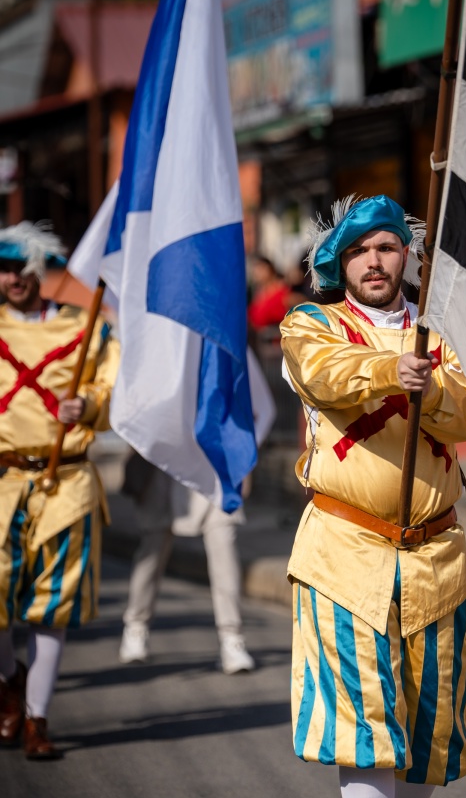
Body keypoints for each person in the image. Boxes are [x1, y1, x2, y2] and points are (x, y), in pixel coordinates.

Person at [280, 194, 466, 798]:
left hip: (438, 551)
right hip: (344, 551)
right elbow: (324, 376)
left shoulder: (441, 334)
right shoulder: (309, 324)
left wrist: (430, 382)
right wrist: (387, 368)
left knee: (435, 730)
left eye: (388, 248)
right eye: (360, 250)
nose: (375, 261)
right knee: (363, 724)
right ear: (339, 263)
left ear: (407, 258)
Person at [0, 222, 119, 759]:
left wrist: (89, 405)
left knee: (52, 606)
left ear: (38, 269)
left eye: (19, 266)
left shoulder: (88, 327)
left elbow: (117, 391)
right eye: (2, 269)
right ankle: (10, 682)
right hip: (2, 481)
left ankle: (36, 720)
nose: (11, 278)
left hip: (67, 480)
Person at [118, 353, 276, 674]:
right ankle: (136, 627)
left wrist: (241, 453)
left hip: (215, 468)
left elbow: (265, 408)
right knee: (152, 550)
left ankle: (232, 639)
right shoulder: (162, 339)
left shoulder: (225, 337)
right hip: (163, 465)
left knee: (224, 549)